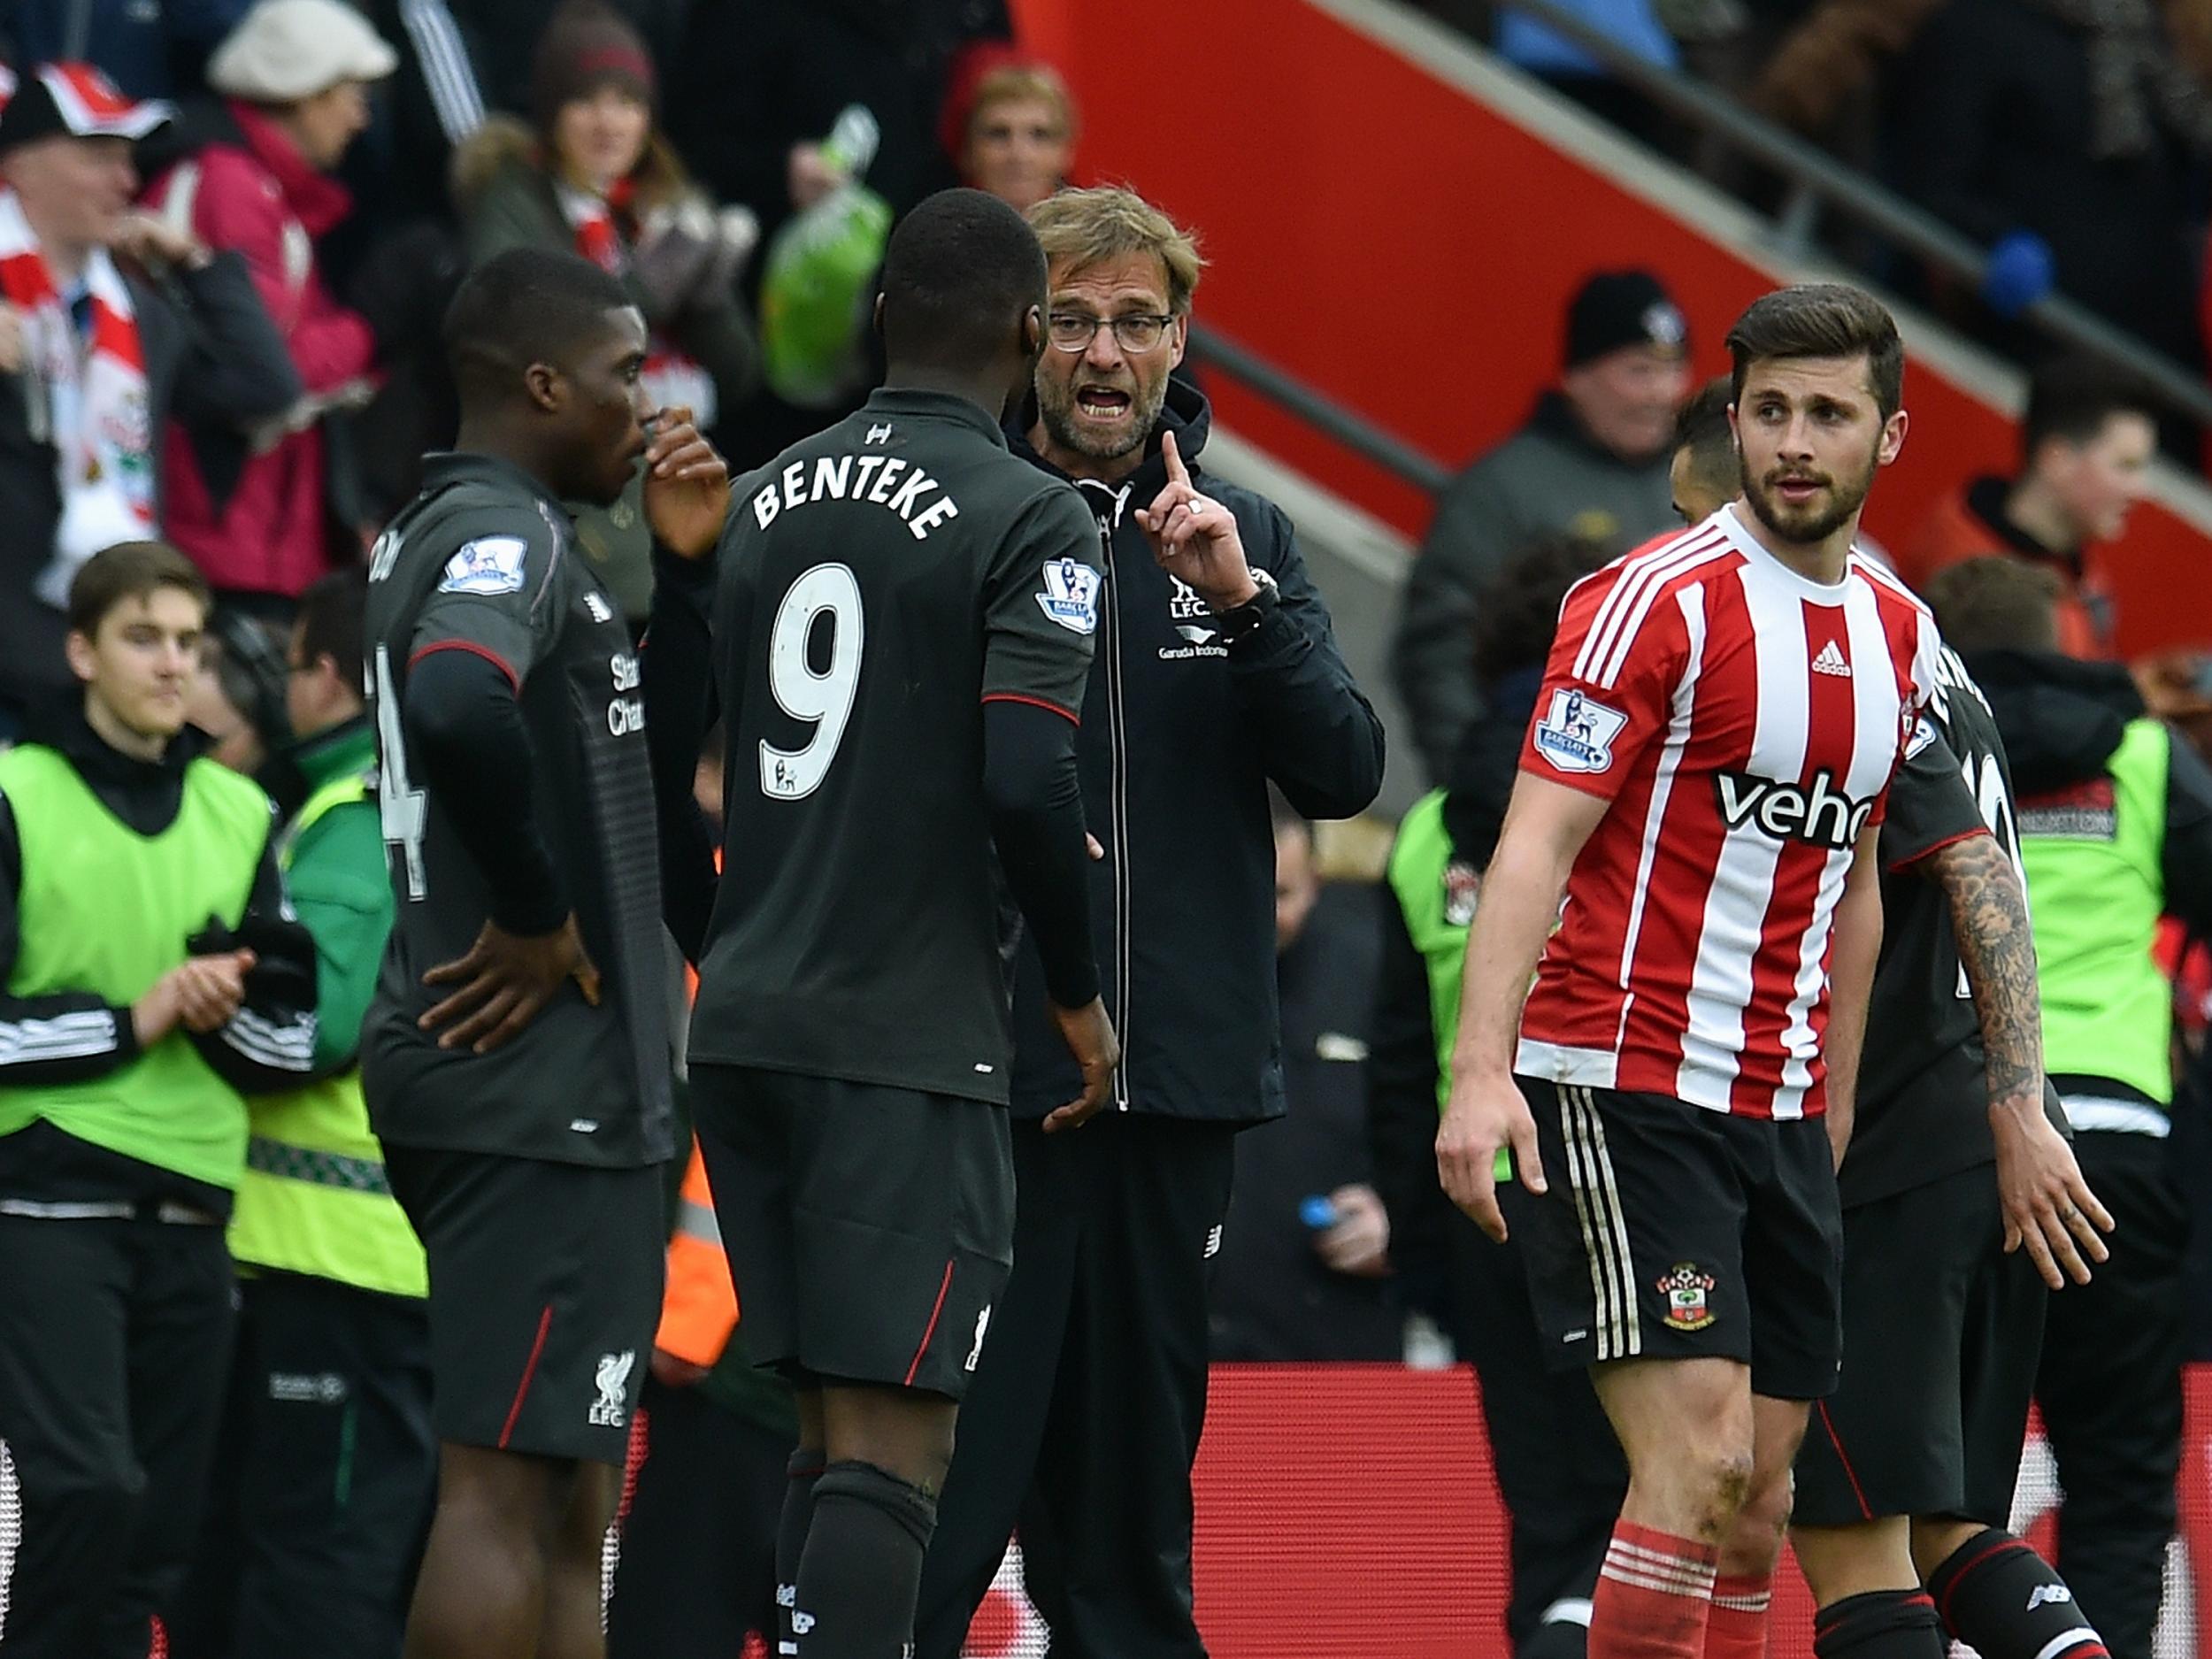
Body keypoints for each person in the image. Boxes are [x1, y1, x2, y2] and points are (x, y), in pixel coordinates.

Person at [640, 185, 1118, 1659]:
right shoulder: (1033, 511)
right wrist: (1082, 998)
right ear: (1034, 335)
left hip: (755, 1017)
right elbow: (1032, 775)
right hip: (906, 1039)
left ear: (878, 319)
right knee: (897, 1455)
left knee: (823, 1440)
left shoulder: (769, 492)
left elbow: (667, 740)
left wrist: (708, 926)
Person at [1436, 284, 1943, 1659]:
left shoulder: (1902, 638)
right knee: (1700, 1462)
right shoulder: (1647, 599)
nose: (1793, 439)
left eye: (1828, 414)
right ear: (1731, 420)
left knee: (1764, 1499)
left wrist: (1832, 1105)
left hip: (1780, 1105)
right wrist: (1480, 1076)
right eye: (1767, 409)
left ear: (1887, 438)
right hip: (1621, 1073)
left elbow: (1855, 897)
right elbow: (1530, 844)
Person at [914, 183, 1384, 1659]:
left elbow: (1346, 767)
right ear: (1023, 337)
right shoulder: (959, 524)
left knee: (1129, 1557)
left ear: (1178, 344)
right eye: (1072, 318)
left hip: (1172, 1093)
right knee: (936, 1529)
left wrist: (1246, 608)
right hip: (992, 1090)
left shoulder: (1244, 535)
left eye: (1137, 321)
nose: (1105, 352)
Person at [358, 244, 727, 1659]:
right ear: (540, 382)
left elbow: (623, 764)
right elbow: (460, 699)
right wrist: (528, 904)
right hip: (537, 1086)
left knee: (572, 1497)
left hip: (556, 1087)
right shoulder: (499, 535)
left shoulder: (460, 528)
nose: (647, 401)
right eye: (628, 371)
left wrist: (684, 583)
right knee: (506, 1491)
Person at [0, 540, 319, 1658]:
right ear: (81, 650)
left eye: (189, 642)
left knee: (154, 1537)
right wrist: (132, 1018)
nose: (174, 664)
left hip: (194, 1215)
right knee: (85, 1492)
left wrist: (221, 1009)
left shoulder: (241, 814)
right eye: (144, 638)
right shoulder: (14, 793)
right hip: (44, 1210)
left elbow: (290, 1041)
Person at [1930, 554, 2212, 1659]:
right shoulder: (2142, 757)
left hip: (1966, 1145)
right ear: (2060, 636)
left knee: (1941, 1488)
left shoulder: (1919, 747)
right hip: (2117, 1153)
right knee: (2119, 1482)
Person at [171, 566, 437, 1659]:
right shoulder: (383, 805)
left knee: (308, 1574)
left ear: (331, 678)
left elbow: (314, 1030)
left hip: (339, 1275)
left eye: (287, 670)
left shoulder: (351, 813)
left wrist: (184, 998)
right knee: (251, 1564)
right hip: (331, 1271)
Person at [1368, 533, 1624, 1659]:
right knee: (1647, 1499)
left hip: (1482, 1203)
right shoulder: (1629, 800)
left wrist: (1425, 1255)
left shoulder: (1426, 833)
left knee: (1544, 1509)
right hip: (1626, 1174)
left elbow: (1389, 1071)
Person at [0, 60, 299, 741]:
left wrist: (197, 265)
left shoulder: (135, 308)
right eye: (99, 157)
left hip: (93, 670)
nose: (127, 183)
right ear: (21, 166)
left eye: (129, 160)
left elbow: (265, 387)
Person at [452, 0, 759, 630]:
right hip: (578, 520)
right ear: (549, 111)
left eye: (627, 102)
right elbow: (542, 334)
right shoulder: (511, 203)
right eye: (586, 101)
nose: (608, 122)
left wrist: (708, 296)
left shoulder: (665, 204)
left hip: (673, 501)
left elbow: (743, 376)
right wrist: (646, 287)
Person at [142, 0, 396, 618]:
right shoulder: (232, 188)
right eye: (352, 94)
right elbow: (269, 368)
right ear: (302, 92)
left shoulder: (265, 192)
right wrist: (372, 327)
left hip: (260, 537)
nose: (361, 117)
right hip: (225, 536)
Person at [1394, 267, 1688, 783]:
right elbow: (1440, 651)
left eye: (1674, 369)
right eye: (1639, 371)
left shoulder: (1700, 489)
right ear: (1577, 376)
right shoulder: (1502, 490)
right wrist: (1479, 782)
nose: (1661, 393)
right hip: (1526, 783)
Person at [1209, 795, 1401, 1364]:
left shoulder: (1378, 978)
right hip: (1191, 1331)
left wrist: (1402, 1218)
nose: (1260, 916)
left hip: (1335, 1329)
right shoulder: (1145, 986)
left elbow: (1438, 1115)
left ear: (1316, 881)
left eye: (1282, 895)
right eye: (1241, 895)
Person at [1897, 358, 2155, 658]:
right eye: (2125, 466)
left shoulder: (2080, 570)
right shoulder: (1971, 582)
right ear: (2057, 459)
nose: (2140, 490)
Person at [941, 43, 1075, 212]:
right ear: (967, 150)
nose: (1019, 155)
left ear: (1067, 151)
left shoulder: (1095, 238)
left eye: (1040, 135)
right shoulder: (932, 236)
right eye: (999, 134)